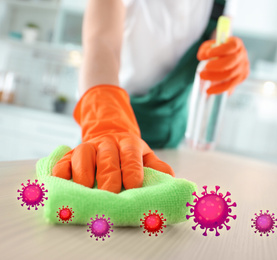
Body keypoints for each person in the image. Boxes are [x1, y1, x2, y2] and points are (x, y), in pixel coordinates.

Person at [52, 0, 249, 193]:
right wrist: (107, 120)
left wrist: (227, 66)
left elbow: (217, 49)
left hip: (171, 141)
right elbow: (101, 43)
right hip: (110, 125)